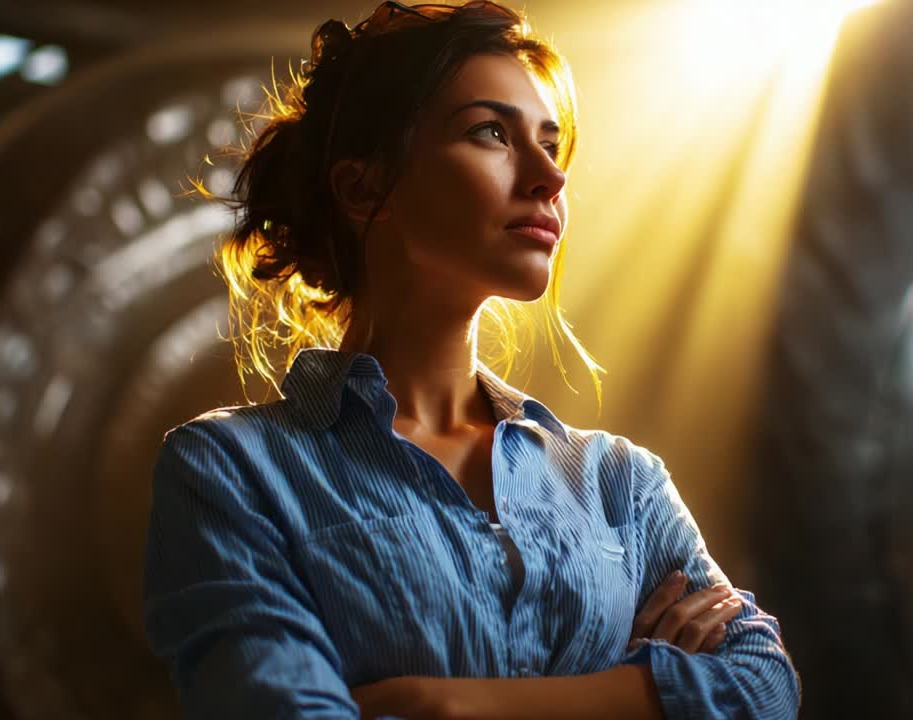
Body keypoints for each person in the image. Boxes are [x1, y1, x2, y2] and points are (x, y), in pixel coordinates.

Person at [141, 2, 801, 718]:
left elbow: (763, 687)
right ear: (364, 189)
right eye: (491, 132)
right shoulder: (232, 471)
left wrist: (449, 703)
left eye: (552, 143)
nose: (551, 176)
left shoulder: (620, 484)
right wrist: (643, 695)